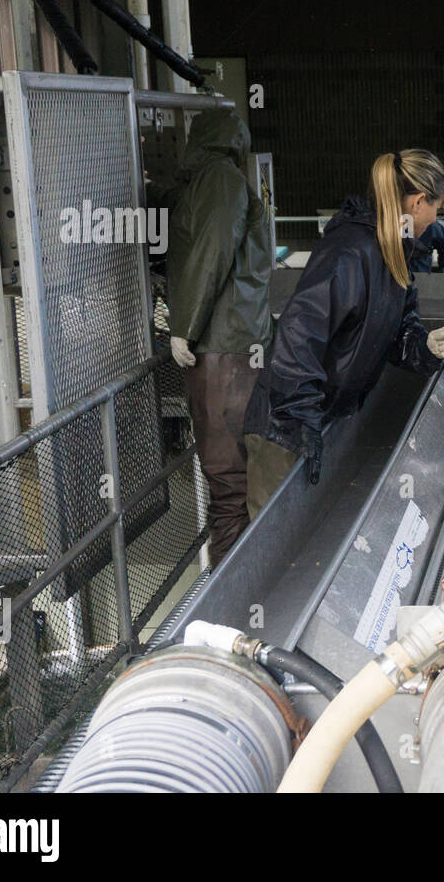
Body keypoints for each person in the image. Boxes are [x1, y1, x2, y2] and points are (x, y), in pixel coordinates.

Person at [241, 149, 444, 516]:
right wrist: (301, 423)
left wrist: (427, 346)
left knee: (307, 535)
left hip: (322, 418)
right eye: (438, 208)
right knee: (275, 543)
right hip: (285, 429)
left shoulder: (395, 253)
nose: (436, 219)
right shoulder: (349, 252)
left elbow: (400, 334)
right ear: (419, 202)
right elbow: (297, 336)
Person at [165, 109, 273, 565]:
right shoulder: (224, 179)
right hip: (237, 340)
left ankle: (230, 586)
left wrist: (183, 327)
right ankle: (241, 574)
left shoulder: (216, 179)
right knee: (237, 471)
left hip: (220, 345)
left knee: (226, 473)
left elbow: (210, 252)